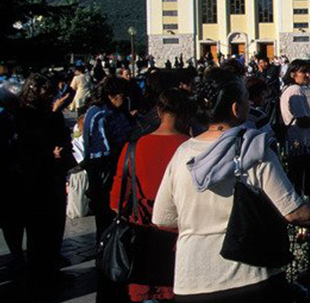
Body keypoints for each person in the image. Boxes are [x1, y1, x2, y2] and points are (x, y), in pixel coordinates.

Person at [152, 67, 310, 302]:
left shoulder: (183, 153)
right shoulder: (253, 148)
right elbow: (295, 213)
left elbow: (162, 217)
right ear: (236, 108)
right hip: (246, 275)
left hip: (190, 282)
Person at [110, 89, 194, 302]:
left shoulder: (133, 149)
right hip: (182, 243)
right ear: (186, 113)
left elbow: (115, 202)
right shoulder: (192, 150)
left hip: (144, 243)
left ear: (158, 111)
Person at [13, 74, 74, 290]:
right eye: (45, 91)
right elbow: (29, 147)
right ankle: (40, 272)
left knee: (54, 226)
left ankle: (50, 268)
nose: (50, 95)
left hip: (51, 177)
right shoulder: (26, 115)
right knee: (39, 229)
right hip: (37, 179)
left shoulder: (47, 114)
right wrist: (52, 154)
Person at [83, 76, 135, 243]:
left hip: (118, 170)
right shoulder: (99, 114)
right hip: (105, 175)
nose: (125, 99)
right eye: (122, 95)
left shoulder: (115, 112)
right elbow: (99, 151)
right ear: (112, 95)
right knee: (106, 220)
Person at [280, 59, 310, 196]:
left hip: (293, 142)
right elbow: (301, 119)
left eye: (308, 71)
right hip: (299, 142)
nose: (307, 75)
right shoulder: (296, 91)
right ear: (292, 74)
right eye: (303, 72)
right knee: (304, 183)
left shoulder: (287, 89)